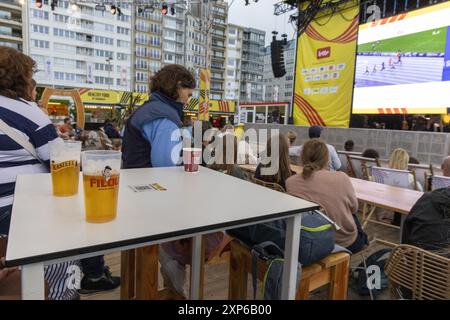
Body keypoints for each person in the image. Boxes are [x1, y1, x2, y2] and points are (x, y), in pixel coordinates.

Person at [0, 46, 83, 299]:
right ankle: (65, 293)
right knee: (65, 255)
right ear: (21, 77)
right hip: (17, 212)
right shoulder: (26, 111)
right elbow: (62, 161)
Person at [121, 64, 196, 298]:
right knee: (196, 225)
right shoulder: (164, 115)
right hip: (149, 204)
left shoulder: (149, 109)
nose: (188, 100)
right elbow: (167, 166)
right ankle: (178, 290)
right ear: (177, 87)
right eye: (189, 93)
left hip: (133, 193)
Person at [286, 139, 368, 253]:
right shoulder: (341, 178)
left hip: (311, 239)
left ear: (302, 157)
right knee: (353, 217)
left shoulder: (291, 182)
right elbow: (354, 208)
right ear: (327, 159)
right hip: (344, 242)